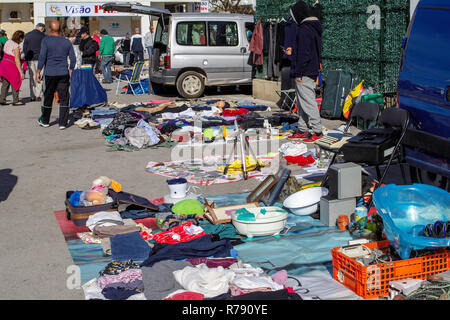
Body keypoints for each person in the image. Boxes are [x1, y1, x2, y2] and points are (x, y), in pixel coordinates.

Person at [286, 0, 324, 142]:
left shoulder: (303, 29)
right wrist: (293, 51)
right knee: (302, 101)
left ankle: (317, 131)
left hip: (305, 71)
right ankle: (302, 129)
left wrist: (299, 72)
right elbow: (313, 49)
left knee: (308, 101)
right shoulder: (313, 27)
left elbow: (305, 54)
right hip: (310, 69)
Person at [36, 20, 76, 129]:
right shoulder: (66, 42)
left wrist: (38, 71)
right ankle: (63, 123)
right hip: (63, 72)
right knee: (64, 97)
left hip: (50, 73)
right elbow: (73, 58)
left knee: (48, 96)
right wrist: (71, 70)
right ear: (59, 29)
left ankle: (45, 121)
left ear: (49, 29)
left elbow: (42, 57)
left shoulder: (46, 41)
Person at [0, 30, 25, 106]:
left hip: (4, 63)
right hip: (11, 65)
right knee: (15, 81)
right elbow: (17, 59)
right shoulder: (16, 46)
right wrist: (21, 72)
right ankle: (16, 100)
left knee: (5, 82)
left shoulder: (8, 42)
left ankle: (2, 99)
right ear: (20, 38)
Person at [23, 23, 46, 101]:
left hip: (30, 59)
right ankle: (38, 95)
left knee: (32, 77)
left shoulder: (28, 35)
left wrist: (26, 58)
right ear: (42, 29)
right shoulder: (43, 36)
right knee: (39, 76)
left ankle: (32, 95)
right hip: (40, 58)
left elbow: (25, 48)